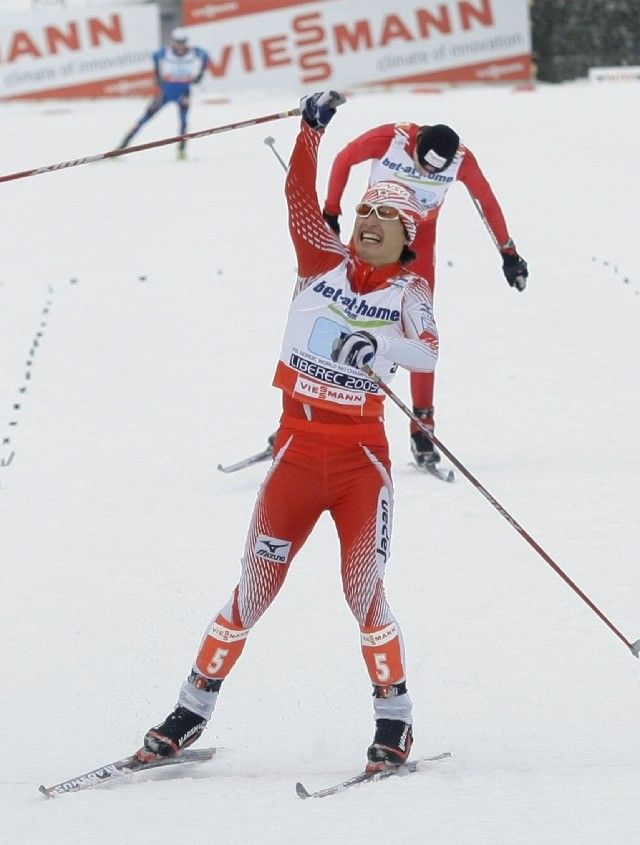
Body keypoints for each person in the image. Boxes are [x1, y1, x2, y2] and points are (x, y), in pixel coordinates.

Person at [135, 91, 439, 773]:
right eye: (364, 212)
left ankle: (395, 719)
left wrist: (378, 346)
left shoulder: (409, 294)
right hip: (298, 455)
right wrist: (310, 130)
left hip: (362, 463)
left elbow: (428, 351)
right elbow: (301, 196)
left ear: (407, 239)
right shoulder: (320, 261)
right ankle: (190, 709)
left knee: (364, 592)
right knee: (252, 590)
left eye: (385, 218)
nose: (368, 223)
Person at [322, 121, 528, 468]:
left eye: (435, 171)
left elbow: (486, 200)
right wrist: (331, 211)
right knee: (343, 313)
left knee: (420, 331)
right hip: (374, 235)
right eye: (422, 163)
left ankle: (422, 427)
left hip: (419, 243)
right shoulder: (391, 139)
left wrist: (508, 253)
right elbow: (344, 158)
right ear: (416, 145)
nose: (426, 172)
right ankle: (318, 407)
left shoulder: (462, 159)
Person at [117, 28, 209, 160]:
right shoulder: (165, 52)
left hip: (184, 92)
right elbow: (155, 57)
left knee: (183, 122)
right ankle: (121, 147)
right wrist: (158, 75)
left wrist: (200, 74)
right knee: (144, 119)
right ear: (173, 42)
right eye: (178, 42)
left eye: (183, 42)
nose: (180, 45)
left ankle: (181, 151)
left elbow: (206, 57)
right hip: (166, 92)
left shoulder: (195, 52)